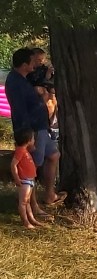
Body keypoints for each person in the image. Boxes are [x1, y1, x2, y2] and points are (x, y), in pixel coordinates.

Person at [5, 48, 64, 206]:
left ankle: (49, 194)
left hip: (42, 127)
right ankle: (32, 206)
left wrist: (43, 97)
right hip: (33, 130)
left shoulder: (24, 79)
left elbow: (33, 102)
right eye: (32, 62)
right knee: (32, 167)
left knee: (54, 155)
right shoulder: (15, 82)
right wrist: (28, 135)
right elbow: (20, 110)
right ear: (24, 64)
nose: (35, 65)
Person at [11, 129, 48, 228]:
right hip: (24, 181)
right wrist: (17, 178)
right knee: (23, 202)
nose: (34, 140)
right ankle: (26, 222)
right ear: (28, 140)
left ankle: (31, 219)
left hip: (29, 180)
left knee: (27, 202)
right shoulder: (20, 151)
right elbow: (13, 164)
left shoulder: (24, 150)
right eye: (33, 139)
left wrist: (32, 147)